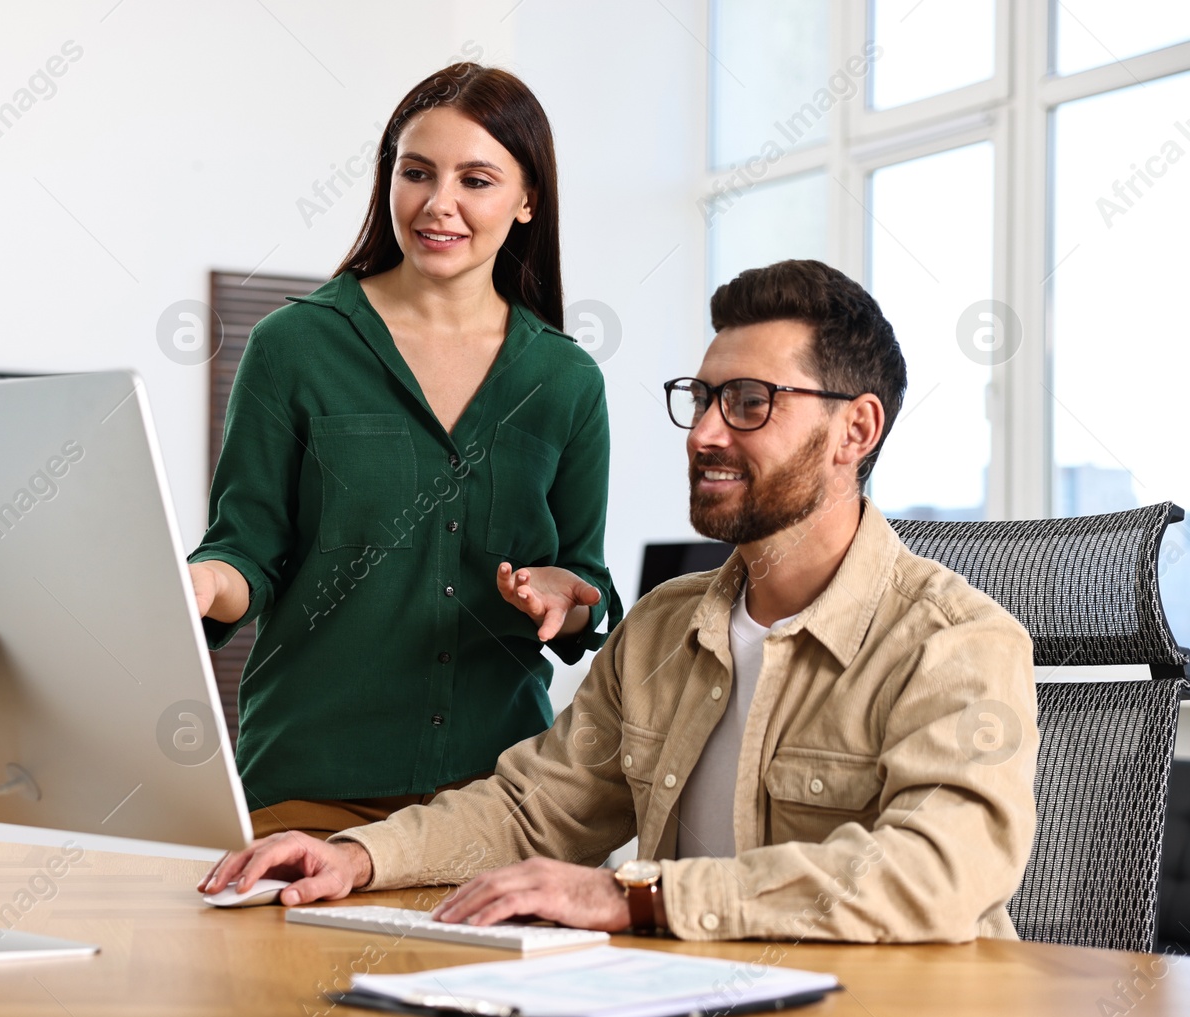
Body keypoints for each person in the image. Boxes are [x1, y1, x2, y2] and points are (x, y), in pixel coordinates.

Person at [200, 259, 1041, 944]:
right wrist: (355, 856)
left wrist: (637, 896)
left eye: (750, 402)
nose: (705, 432)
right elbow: (537, 809)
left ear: (855, 430)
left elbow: (936, 872)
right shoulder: (665, 628)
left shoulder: (958, 643)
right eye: (703, 397)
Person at [186, 63, 622, 838]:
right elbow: (244, 553)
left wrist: (569, 592)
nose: (437, 204)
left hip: (500, 802)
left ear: (527, 200)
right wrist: (198, 583)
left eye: (476, 179)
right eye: (415, 172)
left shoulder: (566, 380)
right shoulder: (293, 347)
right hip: (309, 794)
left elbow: (589, 580)